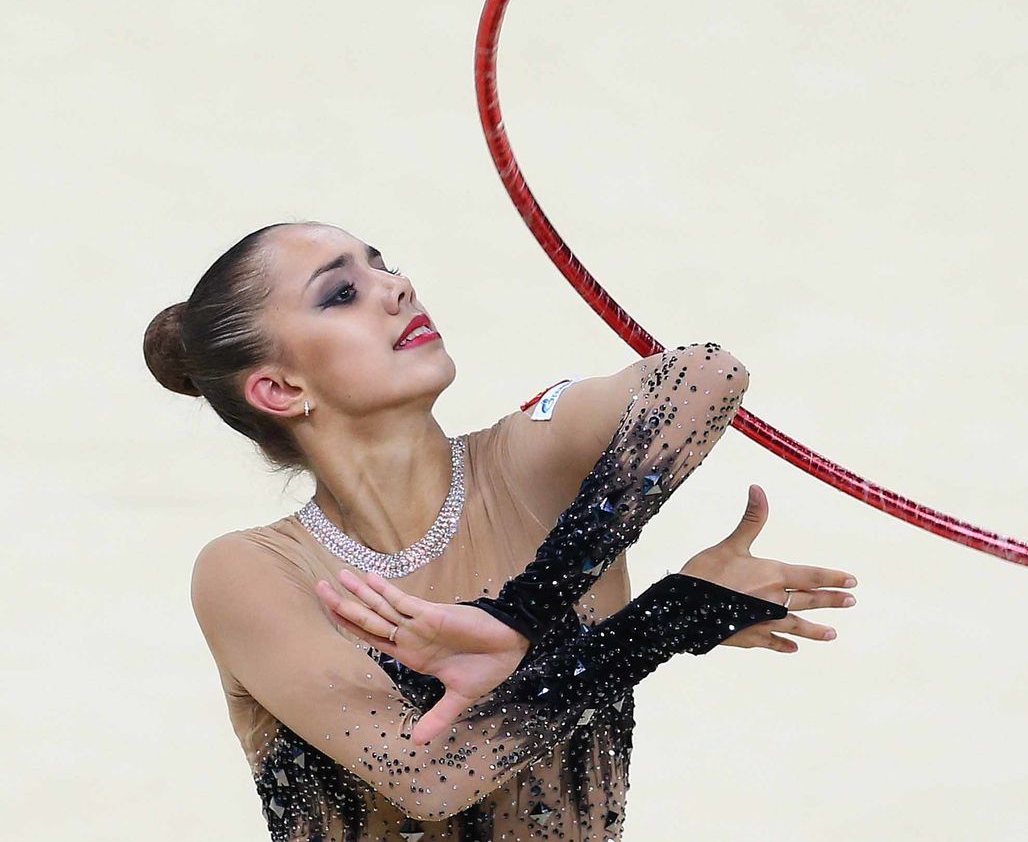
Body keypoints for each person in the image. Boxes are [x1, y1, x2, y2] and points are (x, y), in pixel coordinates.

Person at [148, 220, 857, 840]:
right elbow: (428, 774)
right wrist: (664, 619)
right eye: (341, 293)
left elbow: (705, 375)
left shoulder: (529, 465)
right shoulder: (253, 570)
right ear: (281, 389)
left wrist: (526, 608)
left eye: (383, 265)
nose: (397, 287)